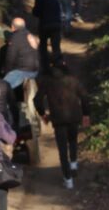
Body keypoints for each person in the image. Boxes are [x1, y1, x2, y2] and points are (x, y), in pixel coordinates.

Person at [34, 61, 91, 189]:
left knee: (62, 149)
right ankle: (74, 164)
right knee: (72, 140)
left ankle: (68, 179)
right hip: (73, 116)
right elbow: (85, 97)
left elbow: (37, 100)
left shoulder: (47, 82)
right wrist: (86, 114)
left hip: (58, 119)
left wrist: (43, 114)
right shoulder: (73, 80)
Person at [31, 0, 63, 69]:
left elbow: (36, 12)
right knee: (56, 45)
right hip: (56, 23)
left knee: (43, 45)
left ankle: (45, 66)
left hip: (45, 24)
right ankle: (58, 63)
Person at [2, 17, 39, 89]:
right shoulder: (30, 35)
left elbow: (10, 58)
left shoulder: (15, 37)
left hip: (22, 71)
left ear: (12, 27)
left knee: (2, 88)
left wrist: (7, 72)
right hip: (36, 71)